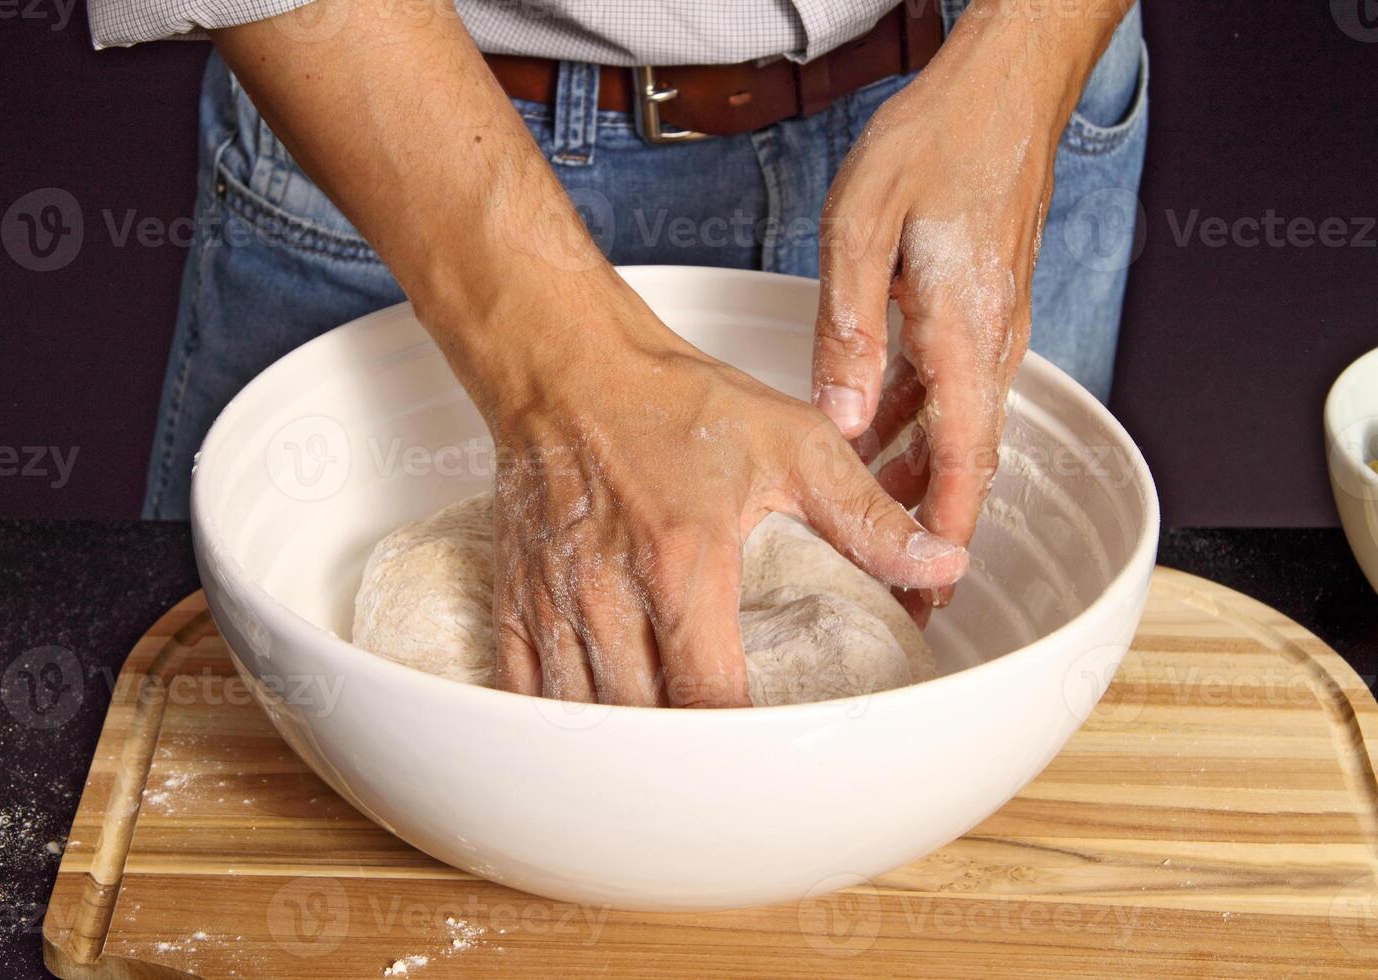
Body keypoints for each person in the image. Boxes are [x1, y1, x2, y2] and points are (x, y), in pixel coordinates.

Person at [93, 0, 1147, 708]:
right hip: (406, 118)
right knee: (252, 729)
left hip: (979, 109)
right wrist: (549, 363)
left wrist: (1031, 53)